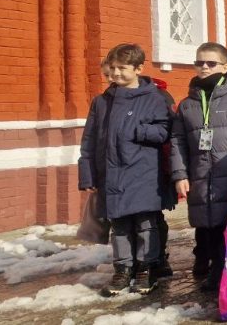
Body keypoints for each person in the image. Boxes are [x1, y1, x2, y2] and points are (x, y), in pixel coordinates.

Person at [79, 43, 171, 296]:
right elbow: (89, 139)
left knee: (144, 224)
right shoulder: (101, 102)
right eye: (113, 68)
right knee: (118, 225)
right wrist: (87, 172)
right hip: (112, 173)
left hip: (143, 172)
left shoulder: (153, 98)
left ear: (139, 68)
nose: (116, 73)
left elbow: (164, 131)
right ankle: (122, 270)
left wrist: (138, 130)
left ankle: (146, 268)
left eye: (122, 68)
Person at [170, 42, 227, 292]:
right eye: (199, 62)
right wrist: (180, 173)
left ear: (226, 66)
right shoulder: (188, 102)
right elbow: (177, 140)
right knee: (203, 221)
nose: (204, 67)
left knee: (225, 222)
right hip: (200, 173)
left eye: (211, 63)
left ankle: (220, 271)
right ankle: (205, 259)